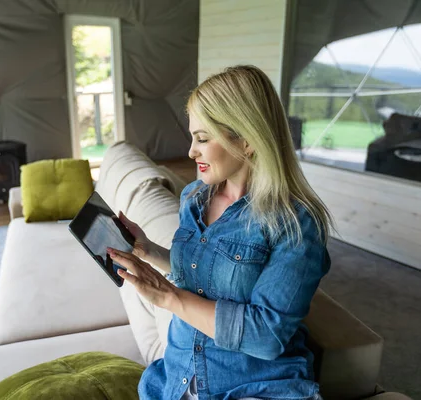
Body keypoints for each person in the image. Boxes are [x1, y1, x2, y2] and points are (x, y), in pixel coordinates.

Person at [107, 65, 334, 400]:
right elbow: (204, 275)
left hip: (253, 385)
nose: (191, 151)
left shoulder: (295, 223)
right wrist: (149, 250)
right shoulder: (194, 198)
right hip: (178, 376)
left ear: (247, 138)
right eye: (192, 137)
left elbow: (266, 336)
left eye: (202, 139)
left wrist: (169, 297)